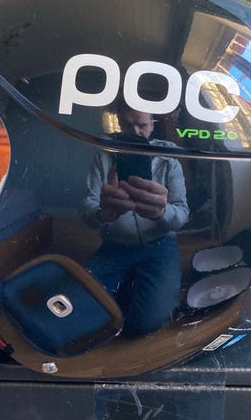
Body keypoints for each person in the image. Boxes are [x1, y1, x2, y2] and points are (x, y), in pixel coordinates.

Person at [82, 106, 189, 336]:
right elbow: (87, 207)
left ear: (152, 125)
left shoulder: (168, 158)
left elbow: (182, 214)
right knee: (85, 310)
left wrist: (162, 212)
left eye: (142, 125)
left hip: (160, 245)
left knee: (149, 324)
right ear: (120, 124)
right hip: (114, 246)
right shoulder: (105, 154)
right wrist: (102, 213)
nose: (136, 132)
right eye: (128, 125)